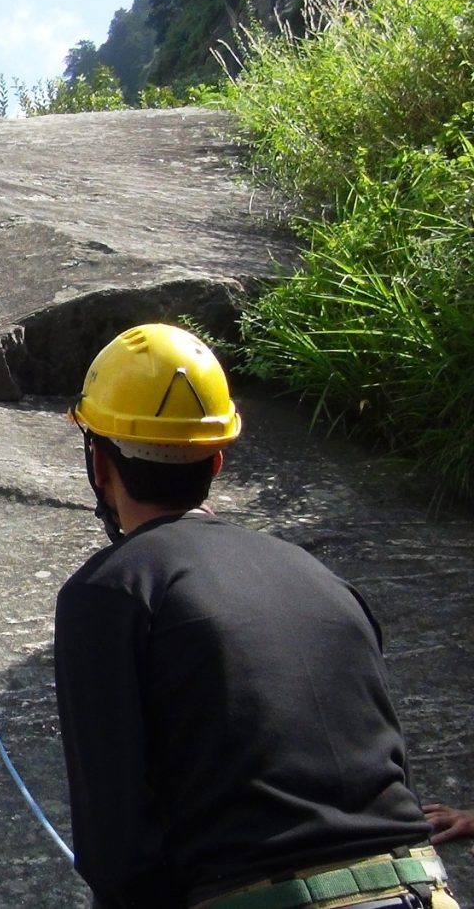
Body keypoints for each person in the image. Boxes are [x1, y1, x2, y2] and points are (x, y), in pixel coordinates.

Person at [53, 323, 458, 909]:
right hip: (422, 887)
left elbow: (118, 849)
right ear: (216, 460)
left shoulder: (110, 590)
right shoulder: (320, 577)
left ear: (100, 464)